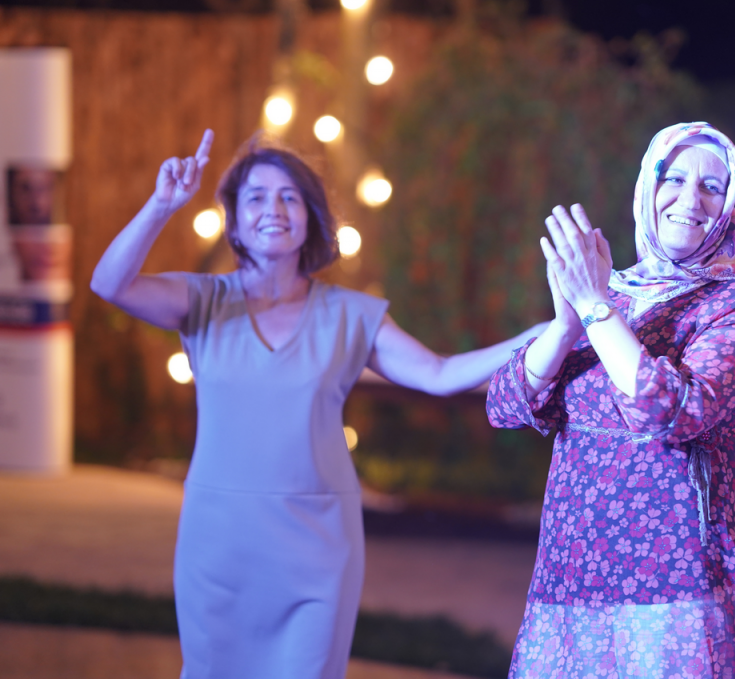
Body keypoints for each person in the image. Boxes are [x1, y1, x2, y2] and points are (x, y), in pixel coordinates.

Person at [90, 130, 544, 679]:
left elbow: (440, 374)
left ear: (310, 216)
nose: (273, 209)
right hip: (219, 544)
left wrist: (545, 335)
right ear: (233, 220)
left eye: (290, 197)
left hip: (317, 548)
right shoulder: (201, 300)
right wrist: (162, 205)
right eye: (256, 197)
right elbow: (109, 284)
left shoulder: (352, 314)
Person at [486, 121, 735, 678]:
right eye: (675, 178)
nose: (690, 199)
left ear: (729, 205)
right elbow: (504, 405)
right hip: (573, 576)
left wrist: (594, 310)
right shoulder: (611, 293)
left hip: (674, 579)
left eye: (711, 187)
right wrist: (566, 325)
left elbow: (674, 413)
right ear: (648, 185)